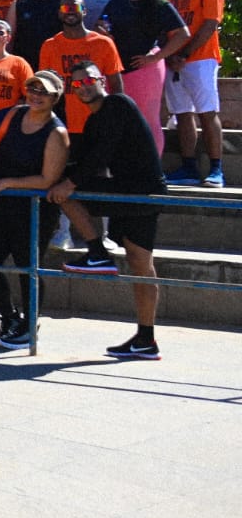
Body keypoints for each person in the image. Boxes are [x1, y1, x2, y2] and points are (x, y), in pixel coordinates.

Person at [52, 62, 169, 359]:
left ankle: (97, 252)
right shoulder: (92, 122)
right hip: (124, 191)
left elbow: (102, 153)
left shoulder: (118, 104)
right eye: (77, 84)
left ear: (102, 80)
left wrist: (69, 183)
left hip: (144, 192)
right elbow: (85, 158)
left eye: (89, 79)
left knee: (142, 262)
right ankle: (145, 340)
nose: (84, 86)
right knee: (138, 260)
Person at [0, 71, 70, 350]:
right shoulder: (16, 113)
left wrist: (7, 182)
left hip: (35, 210)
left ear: (55, 97)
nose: (36, 95)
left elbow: (47, 179)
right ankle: (9, 317)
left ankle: (30, 326)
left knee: (27, 268)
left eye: (43, 91)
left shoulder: (57, 133)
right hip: (3, 204)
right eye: (33, 88)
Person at [100, 0, 189, 152]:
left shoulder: (160, 4)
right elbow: (100, 26)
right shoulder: (116, 3)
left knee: (148, 119)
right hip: (116, 69)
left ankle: (153, 170)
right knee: (118, 120)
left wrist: (156, 58)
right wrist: (103, 32)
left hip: (146, 69)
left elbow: (183, 34)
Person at [164, 0, 226, 187]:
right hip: (175, 62)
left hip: (200, 59)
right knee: (182, 113)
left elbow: (210, 24)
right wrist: (170, 56)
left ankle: (216, 169)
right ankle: (188, 167)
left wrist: (185, 53)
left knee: (207, 112)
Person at [39, 0, 124, 136]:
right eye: (66, 8)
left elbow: (116, 85)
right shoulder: (49, 46)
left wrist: (116, 118)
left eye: (75, 7)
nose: (70, 11)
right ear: (60, 13)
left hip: (98, 121)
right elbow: (46, 88)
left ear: (84, 11)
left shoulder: (103, 43)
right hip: (62, 125)